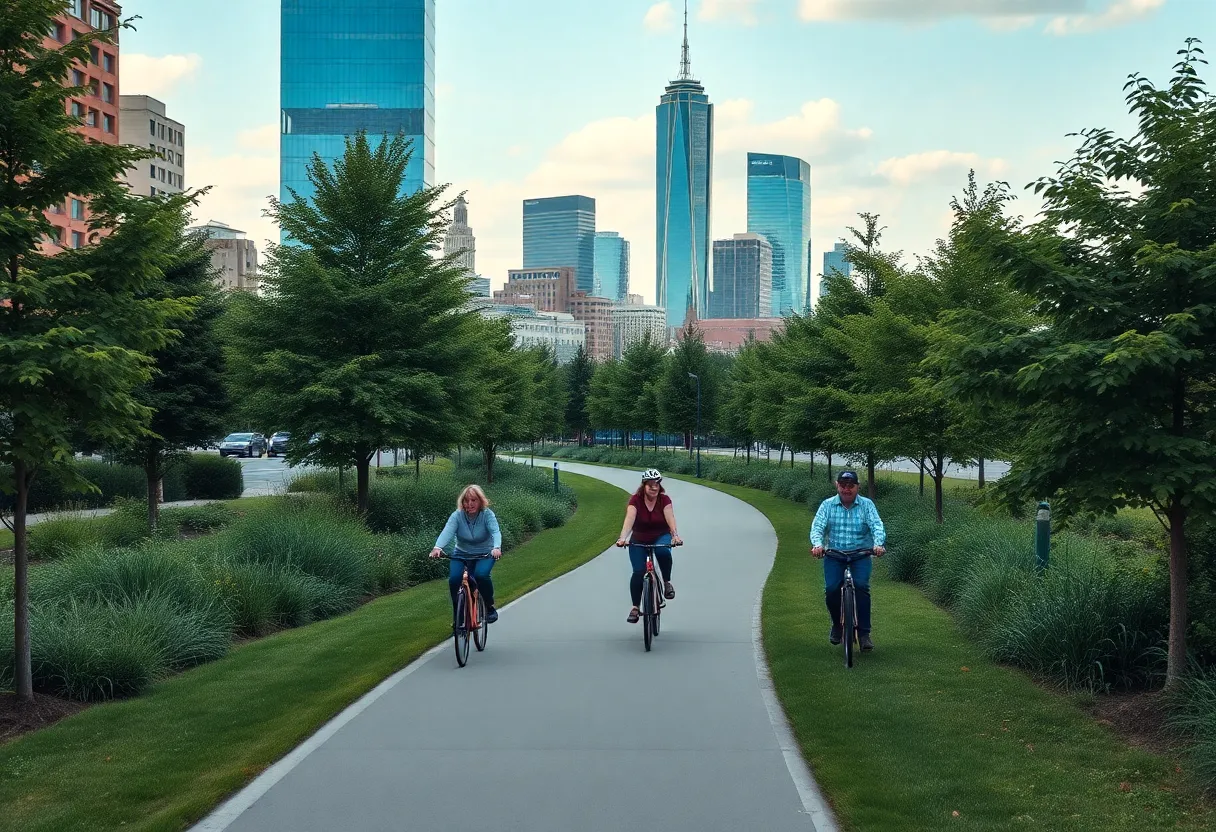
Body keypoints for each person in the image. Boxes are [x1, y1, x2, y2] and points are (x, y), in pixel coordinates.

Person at [810, 470, 887, 651]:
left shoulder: (866, 505)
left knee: (861, 586)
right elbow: (818, 527)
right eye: (843, 485)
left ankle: (864, 633)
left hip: (860, 554)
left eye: (850, 485)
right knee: (831, 589)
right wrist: (817, 545)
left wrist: (878, 545)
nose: (846, 489)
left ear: (857, 487)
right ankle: (837, 625)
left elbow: (877, 525)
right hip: (834, 554)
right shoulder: (827, 505)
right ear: (837, 485)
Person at [615, 468, 683, 623]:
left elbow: (670, 518)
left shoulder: (664, 500)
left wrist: (675, 536)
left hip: (661, 536)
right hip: (639, 538)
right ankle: (634, 608)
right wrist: (622, 538)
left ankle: (666, 583)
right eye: (650, 485)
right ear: (643, 486)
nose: (654, 488)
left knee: (663, 553)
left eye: (657, 484)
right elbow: (629, 519)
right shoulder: (635, 500)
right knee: (638, 571)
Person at [430, 484, 503, 623]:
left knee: (481, 575)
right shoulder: (457, 516)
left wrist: (496, 547)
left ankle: (488, 607)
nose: (470, 504)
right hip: (462, 553)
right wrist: (437, 547)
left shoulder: (487, 514)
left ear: (480, 501)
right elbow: (448, 531)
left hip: (485, 554)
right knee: (454, 580)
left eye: (474, 500)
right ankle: (458, 618)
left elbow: (495, 532)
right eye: (466, 500)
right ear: (462, 502)